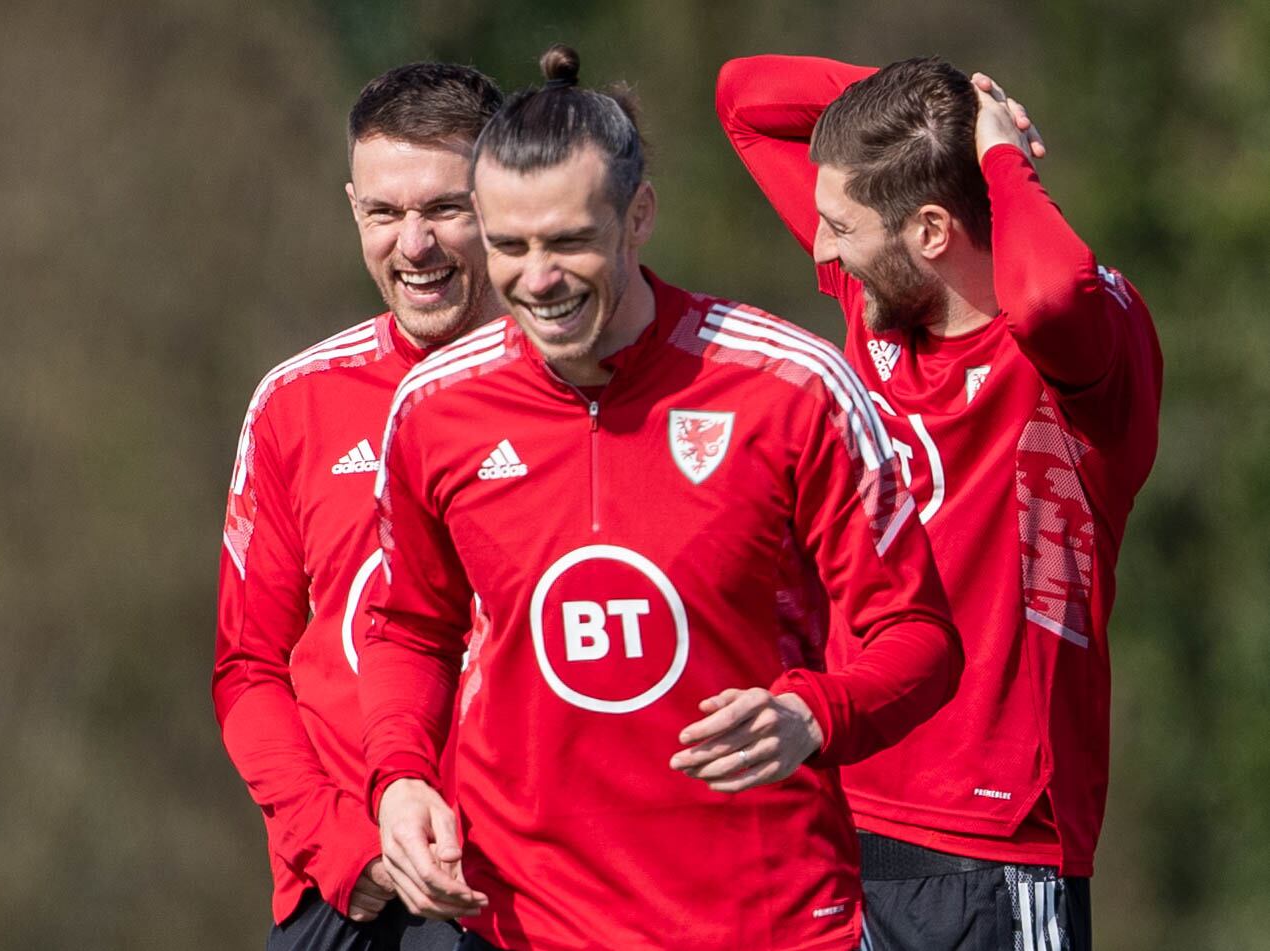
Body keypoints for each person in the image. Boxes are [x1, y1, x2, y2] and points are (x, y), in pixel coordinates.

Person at [361, 45, 962, 951]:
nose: (538, 277)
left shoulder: (790, 386)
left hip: (770, 924)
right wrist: (401, 774)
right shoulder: (435, 409)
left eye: (569, 241)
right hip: (525, 925)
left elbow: (919, 638)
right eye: (509, 245)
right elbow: (410, 627)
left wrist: (814, 713)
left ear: (638, 216)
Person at [716, 55, 1162, 950]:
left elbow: (1047, 297)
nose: (819, 248)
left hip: (992, 843)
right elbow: (746, 100)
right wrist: (958, 101)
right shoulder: (880, 294)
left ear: (929, 230)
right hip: (840, 807)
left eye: (840, 225)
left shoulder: (1075, 354)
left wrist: (1001, 159)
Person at [212, 61, 503, 951]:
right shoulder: (295, 402)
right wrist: (344, 849)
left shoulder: (581, 392)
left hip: (527, 893)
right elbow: (247, 671)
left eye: (445, 209)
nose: (413, 245)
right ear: (353, 210)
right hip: (347, 898)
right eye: (384, 213)